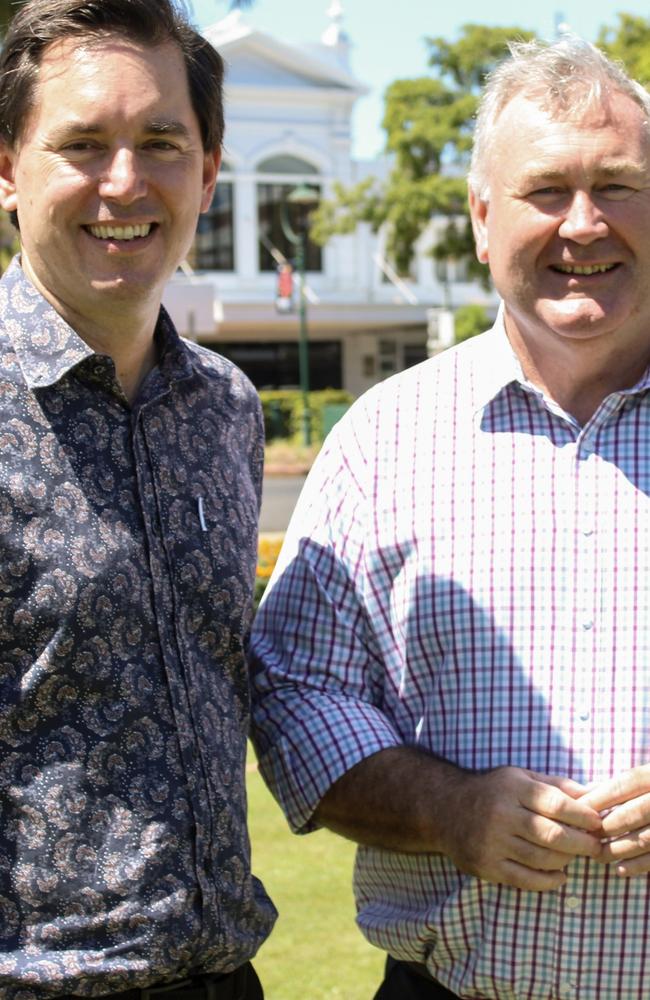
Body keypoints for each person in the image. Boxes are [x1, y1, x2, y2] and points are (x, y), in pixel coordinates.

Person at [250, 36, 650, 1000]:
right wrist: (450, 810)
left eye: (620, 184)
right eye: (545, 190)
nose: (584, 223)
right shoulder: (385, 439)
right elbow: (295, 690)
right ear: (481, 219)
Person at [0, 1, 276, 997]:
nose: (125, 182)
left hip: (225, 972)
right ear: (6, 169)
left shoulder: (225, 409)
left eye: (160, 141)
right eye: (81, 143)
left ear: (207, 171)